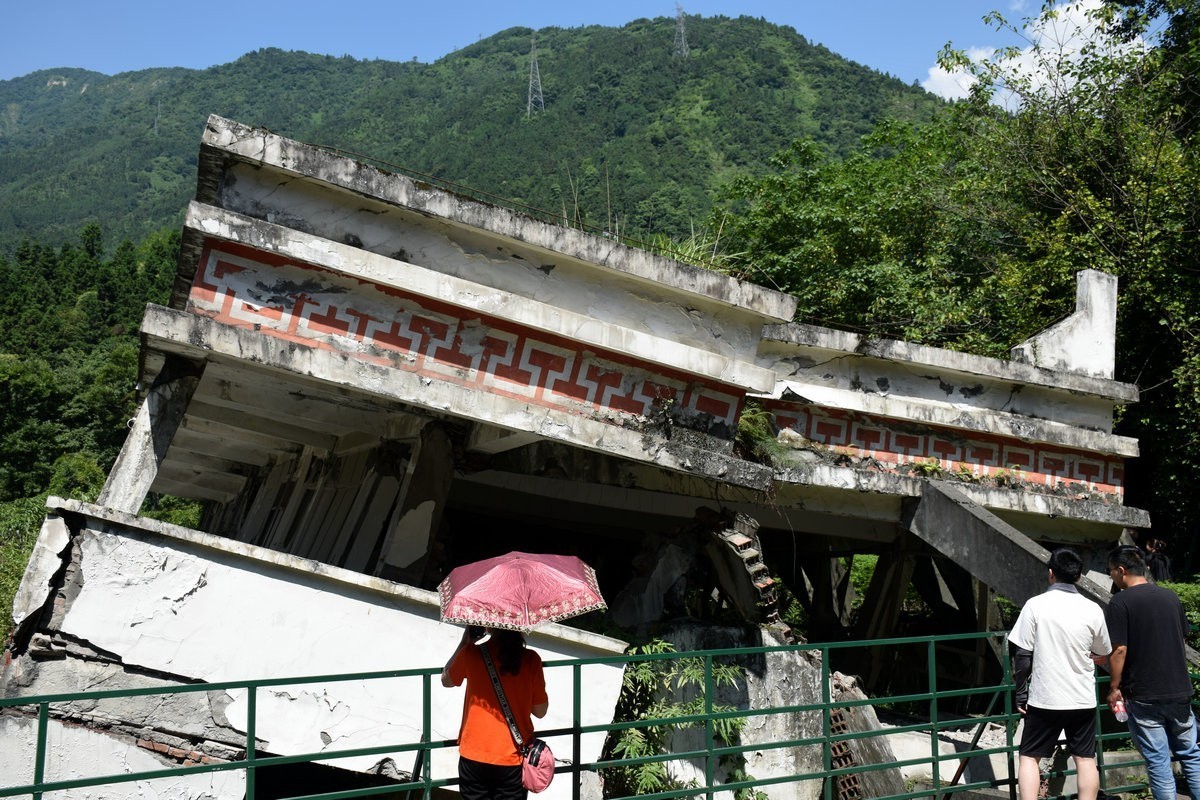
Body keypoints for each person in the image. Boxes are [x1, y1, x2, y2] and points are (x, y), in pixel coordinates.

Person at [1009, 547, 1112, 800]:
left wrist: (1020, 693)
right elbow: (1102, 651)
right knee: (1085, 759)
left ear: (1051, 573)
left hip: (1045, 697)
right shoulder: (1093, 609)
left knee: (1030, 757)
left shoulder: (1035, 605)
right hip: (1082, 697)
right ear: (1078, 576)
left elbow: (1022, 655)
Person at [1106, 544, 1200, 800]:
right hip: (1179, 690)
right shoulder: (1170, 597)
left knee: (1158, 759)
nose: (1112, 576)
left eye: (1111, 571)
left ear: (1122, 570)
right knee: (1191, 753)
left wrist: (1114, 687)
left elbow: (1120, 650)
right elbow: (1179, 639)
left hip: (1144, 693)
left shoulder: (1120, 602)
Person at [442, 627, 549, 800]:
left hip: (474, 753)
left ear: (489, 625)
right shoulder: (531, 660)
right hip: (513, 756)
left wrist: (464, 643)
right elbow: (540, 711)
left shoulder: (471, 653)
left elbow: (446, 679)